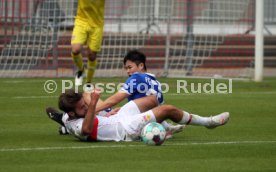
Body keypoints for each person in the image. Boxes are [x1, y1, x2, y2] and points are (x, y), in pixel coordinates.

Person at [54, 89, 230, 142]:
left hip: (118, 118)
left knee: (151, 100)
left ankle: (165, 128)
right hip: (125, 129)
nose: (86, 107)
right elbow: (86, 130)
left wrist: (105, 112)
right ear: (72, 113)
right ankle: (208, 122)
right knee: (166, 109)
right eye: (82, 107)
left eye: (85, 105)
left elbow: (50, 111)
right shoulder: (77, 126)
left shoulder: (67, 117)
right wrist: (93, 103)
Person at [71, 0, 105, 87]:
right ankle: (81, 70)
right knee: (75, 49)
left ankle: (88, 82)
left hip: (96, 25)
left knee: (92, 55)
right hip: (81, 22)